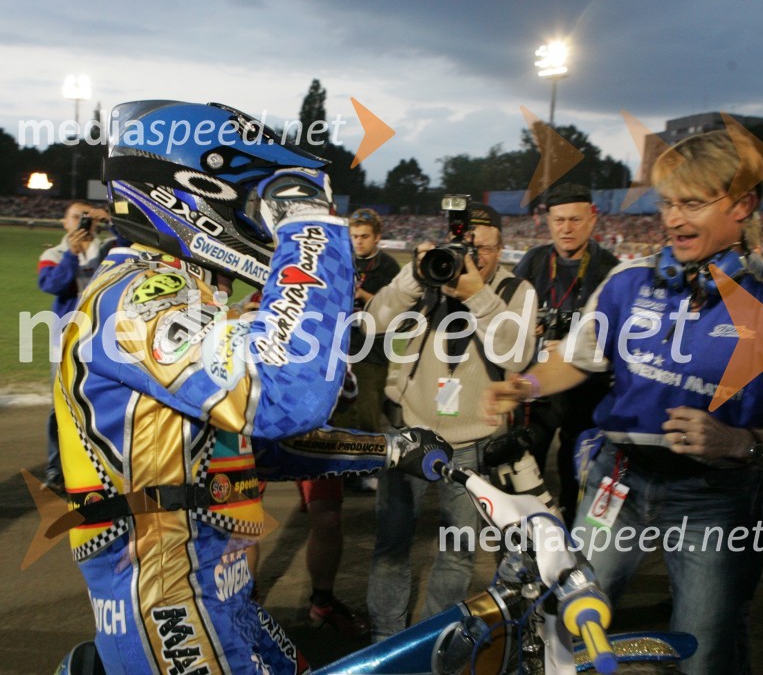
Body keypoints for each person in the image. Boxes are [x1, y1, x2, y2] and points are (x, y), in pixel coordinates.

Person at [53, 100, 451, 674]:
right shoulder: (136, 297)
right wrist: (308, 221)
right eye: (245, 202)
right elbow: (287, 390)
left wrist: (389, 450)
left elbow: (246, 450)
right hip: (168, 602)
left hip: (215, 593)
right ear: (193, 196)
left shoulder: (174, 292)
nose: (260, 221)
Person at [483, 128, 763, 674]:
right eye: (667, 202)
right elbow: (577, 360)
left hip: (715, 498)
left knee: (702, 650)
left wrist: (740, 442)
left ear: (743, 204)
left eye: (691, 203)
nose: (671, 219)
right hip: (615, 481)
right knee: (567, 619)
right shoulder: (628, 281)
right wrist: (525, 385)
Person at [364, 201, 537, 642]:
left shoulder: (517, 292)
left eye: (483, 249)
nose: (471, 258)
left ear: (501, 249)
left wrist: (477, 293)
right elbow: (375, 319)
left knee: (458, 553)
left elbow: (515, 355)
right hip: (411, 432)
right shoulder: (428, 280)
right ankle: (386, 642)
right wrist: (414, 274)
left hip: (473, 442)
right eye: (464, 247)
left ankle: (428, 644)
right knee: (390, 546)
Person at [512, 183, 618, 525]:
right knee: (527, 472)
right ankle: (529, 540)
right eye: (559, 220)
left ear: (592, 218)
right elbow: (509, 314)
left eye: (575, 219)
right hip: (539, 388)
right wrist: (528, 329)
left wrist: (577, 345)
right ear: (548, 221)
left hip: (587, 391)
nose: (566, 228)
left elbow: (624, 335)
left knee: (579, 478)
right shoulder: (534, 260)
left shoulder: (610, 268)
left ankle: (573, 544)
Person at [37, 201, 109, 493]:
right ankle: (56, 469)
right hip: (67, 340)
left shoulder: (111, 249)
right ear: (64, 223)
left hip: (105, 339)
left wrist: (114, 220)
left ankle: (103, 466)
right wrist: (71, 255)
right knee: (61, 408)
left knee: (104, 404)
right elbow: (52, 285)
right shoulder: (53, 254)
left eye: (87, 217)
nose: (82, 222)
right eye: (76, 217)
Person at [343, 208, 401, 491]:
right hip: (340, 350)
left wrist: (363, 296)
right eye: (354, 236)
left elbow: (398, 306)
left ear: (377, 237)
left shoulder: (388, 267)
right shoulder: (341, 261)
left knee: (367, 415)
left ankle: (369, 470)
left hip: (372, 352)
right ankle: (344, 471)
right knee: (340, 415)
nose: (358, 241)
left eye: (364, 236)